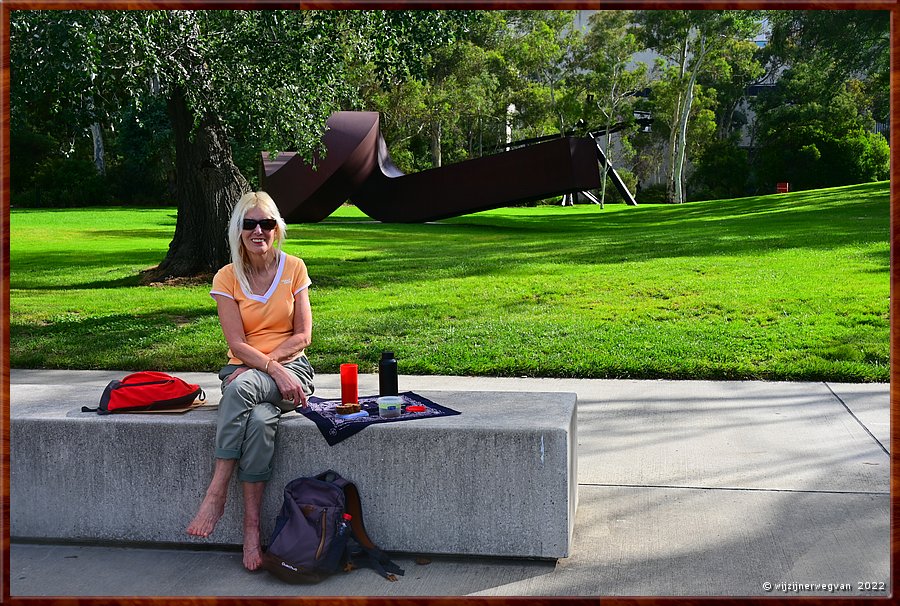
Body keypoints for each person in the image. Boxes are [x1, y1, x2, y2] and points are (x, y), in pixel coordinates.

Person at [187, 191, 315, 571]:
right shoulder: (227, 277)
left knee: (244, 387)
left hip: (291, 372)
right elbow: (236, 344)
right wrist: (266, 368)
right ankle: (251, 532)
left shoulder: (294, 268)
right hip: (246, 368)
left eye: (266, 223)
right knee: (259, 421)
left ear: (278, 228)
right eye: (249, 224)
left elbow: (303, 335)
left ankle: (216, 491)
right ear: (237, 230)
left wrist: (271, 366)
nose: (258, 231)